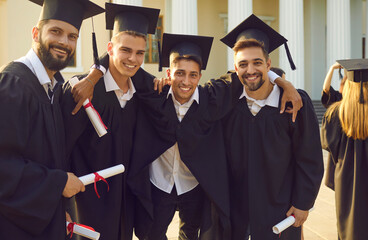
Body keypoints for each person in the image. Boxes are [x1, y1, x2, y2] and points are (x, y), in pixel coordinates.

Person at [0, 0, 104, 239]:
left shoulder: (51, 89)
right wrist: (57, 184)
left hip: (39, 220)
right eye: (55, 32)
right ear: (36, 33)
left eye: (72, 36)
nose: (64, 43)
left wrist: (54, 212)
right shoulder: (13, 85)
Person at [220, 14, 324, 240]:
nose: (250, 70)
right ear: (235, 68)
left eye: (257, 62)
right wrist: (281, 80)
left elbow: (309, 157)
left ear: (269, 64)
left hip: (281, 207)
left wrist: (303, 202)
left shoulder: (294, 104)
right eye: (243, 64)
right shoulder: (227, 102)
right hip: (237, 209)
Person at [61, 3, 160, 240]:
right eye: (125, 50)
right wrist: (62, 206)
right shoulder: (82, 91)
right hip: (88, 202)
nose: (133, 59)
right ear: (110, 49)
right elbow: (61, 149)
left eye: (139, 53)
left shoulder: (143, 93)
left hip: (126, 201)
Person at [321, 59, 368, 240]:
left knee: (350, 221)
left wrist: (332, 68)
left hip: (348, 176)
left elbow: (327, 143)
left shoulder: (336, 113)